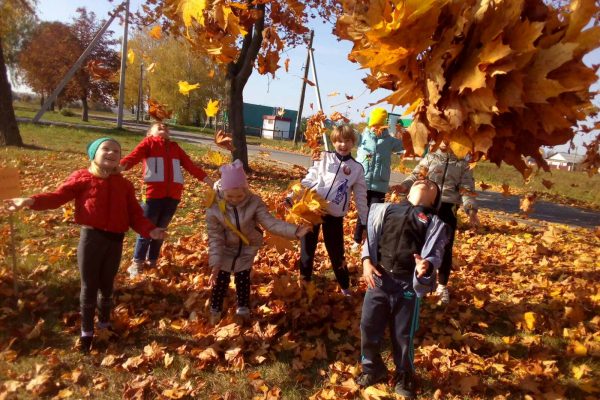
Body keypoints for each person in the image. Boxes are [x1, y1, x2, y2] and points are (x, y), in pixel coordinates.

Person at [5, 138, 165, 353]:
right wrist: (31, 200)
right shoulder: (83, 178)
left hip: (115, 241)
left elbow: (135, 214)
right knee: (89, 285)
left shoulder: (124, 184)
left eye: (116, 150)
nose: (111, 153)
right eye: (105, 149)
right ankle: (86, 332)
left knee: (107, 284)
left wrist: (150, 230)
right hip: (92, 239)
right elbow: (57, 197)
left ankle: (104, 325)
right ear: (93, 154)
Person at [358, 178, 448, 398]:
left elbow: (436, 252)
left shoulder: (433, 222)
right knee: (368, 327)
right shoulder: (386, 210)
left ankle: (404, 374)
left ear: (434, 200)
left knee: (403, 334)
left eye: (432, 185)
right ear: (408, 193)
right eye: (421, 180)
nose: (426, 182)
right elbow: (370, 240)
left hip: (406, 283)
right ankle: (373, 367)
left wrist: (426, 266)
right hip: (379, 279)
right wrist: (366, 261)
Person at [206, 160, 310, 324]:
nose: (235, 199)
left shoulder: (254, 203)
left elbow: (270, 223)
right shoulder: (214, 208)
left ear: (245, 190)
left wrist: (294, 231)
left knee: (243, 279)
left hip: (246, 248)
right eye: (230, 196)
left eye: (239, 195)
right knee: (220, 280)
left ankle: (243, 307)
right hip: (224, 249)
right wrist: (215, 263)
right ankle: (215, 308)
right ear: (223, 191)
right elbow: (215, 237)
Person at [120, 123, 213, 278]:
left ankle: (153, 260)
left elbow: (191, 166)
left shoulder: (175, 148)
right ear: (149, 133)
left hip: (173, 198)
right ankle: (137, 262)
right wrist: (116, 167)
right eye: (159, 127)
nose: (164, 127)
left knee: (160, 230)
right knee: (147, 230)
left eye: (166, 127)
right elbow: (133, 157)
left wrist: (210, 182)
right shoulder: (148, 143)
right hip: (152, 196)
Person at [397, 140, 479, 304]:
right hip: (427, 205)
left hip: (448, 208)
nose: (444, 142)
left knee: (445, 247)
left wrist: (471, 210)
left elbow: (466, 188)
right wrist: (405, 185)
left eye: (449, 139)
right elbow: (416, 175)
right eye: (441, 138)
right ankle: (414, 280)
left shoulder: (462, 163)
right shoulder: (431, 157)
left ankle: (442, 286)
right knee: (418, 244)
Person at [297, 125, 368, 296]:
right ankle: (304, 281)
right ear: (333, 142)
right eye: (339, 141)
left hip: (334, 215)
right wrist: (297, 193)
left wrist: (364, 222)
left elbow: (360, 197)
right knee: (307, 247)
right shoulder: (323, 157)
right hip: (313, 209)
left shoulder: (357, 168)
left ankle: (344, 286)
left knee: (336, 252)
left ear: (353, 143)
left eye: (347, 141)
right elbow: (310, 177)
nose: (343, 145)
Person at [353, 108, 404, 249]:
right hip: (362, 181)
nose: (376, 129)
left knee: (375, 215)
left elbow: (403, 146)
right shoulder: (363, 137)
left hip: (380, 184)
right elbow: (349, 136)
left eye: (379, 125)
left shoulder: (390, 141)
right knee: (362, 212)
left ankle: (371, 243)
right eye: (374, 125)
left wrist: (402, 132)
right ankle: (357, 240)